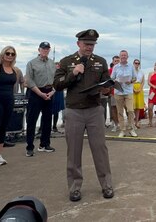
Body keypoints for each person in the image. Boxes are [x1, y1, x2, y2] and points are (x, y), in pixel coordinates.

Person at [54, 29, 113, 202]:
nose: (89, 47)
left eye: (92, 45)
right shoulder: (67, 62)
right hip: (74, 111)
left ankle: (106, 185)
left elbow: (106, 83)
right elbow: (57, 84)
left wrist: (106, 89)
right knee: (74, 151)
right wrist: (73, 73)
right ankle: (74, 188)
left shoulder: (100, 62)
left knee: (100, 149)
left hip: (95, 110)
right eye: (87, 44)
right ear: (78, 43)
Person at [0, 46, 24, 167]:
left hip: (9, 99)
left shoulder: (16, 70)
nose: (10, 56)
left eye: (12, 54)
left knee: (4, 126)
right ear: (3, 55)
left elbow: (18, 83)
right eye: (8, 53)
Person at [25, 42, 57, 156]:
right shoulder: (31, 63)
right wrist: (40, 93)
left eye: (47, 49)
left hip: (49, 92)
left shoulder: (52, 63)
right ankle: (29, 147)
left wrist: (53, 91)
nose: (45, 50)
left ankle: (44, 144)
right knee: (32, 120)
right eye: (43, 48)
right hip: (36, 92)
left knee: (48, 119)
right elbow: (29, 80)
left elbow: (56, 79)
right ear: (39, 49)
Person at [110, 50, 136, 138]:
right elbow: (112, 79)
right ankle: (122, 130)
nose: (123, 57)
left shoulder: (131, 66)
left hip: (128, 91)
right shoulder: (116, 67)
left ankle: (131, 129)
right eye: (122, 55)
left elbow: (134, 78)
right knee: (120, 112)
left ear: (127, 57)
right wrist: (116, 81)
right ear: (119, 56)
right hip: (118, 91)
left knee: (130, 110)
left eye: (125, 55)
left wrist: (131, 81)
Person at [131, 59, 145, 129]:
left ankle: (136, 121)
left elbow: (143, 82)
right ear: (133, 63)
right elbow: (130, 81)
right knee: (132, 106)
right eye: (135, 63)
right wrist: (133, 89)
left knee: (138, 107)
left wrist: (140, 89)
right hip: (132, 88)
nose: (137, 64)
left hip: (139, 88)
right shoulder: (131, 71)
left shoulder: (141, 72)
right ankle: (132, 122)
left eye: (138, 63)